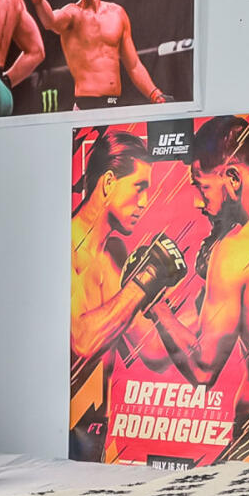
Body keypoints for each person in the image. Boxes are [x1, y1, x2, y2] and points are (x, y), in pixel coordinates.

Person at [144, 116, 249, 462]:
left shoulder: (235, 251)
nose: (197, 202)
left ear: (233, 177)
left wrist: (154, 305)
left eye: (201, 186)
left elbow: (203, 370)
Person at [67, 128, 184, 460]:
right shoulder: (67, 246)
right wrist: (144, 281)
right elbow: (84, 339)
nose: (145, 202)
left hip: (95, 438)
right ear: (107, 183)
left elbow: (154, 354)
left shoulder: (115, 255)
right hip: (56, 435)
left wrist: (160, 298)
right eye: (139, 187)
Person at [27, 0, 162, 108]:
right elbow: (50, 21)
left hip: (114, 104)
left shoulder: (118, 14)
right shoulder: (72, 14)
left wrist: (155, 94)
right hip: (86, 106)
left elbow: (133, 66)